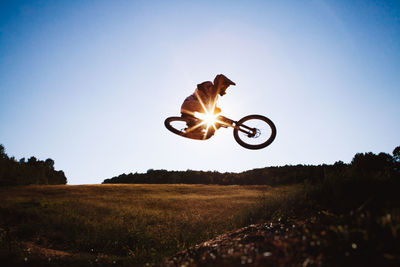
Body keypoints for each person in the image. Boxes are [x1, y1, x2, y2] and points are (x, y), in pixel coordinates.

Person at [180, 74, 235, 139]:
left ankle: (193, 129)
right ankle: (204, 127)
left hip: (189, 108)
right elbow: (210, 99)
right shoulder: (209, 85)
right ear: (221, 84)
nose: (226, 88)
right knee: (215, 115)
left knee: (212, 115)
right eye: (225, 86)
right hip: (190, 104)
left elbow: (212, 104)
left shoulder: (215, 96)